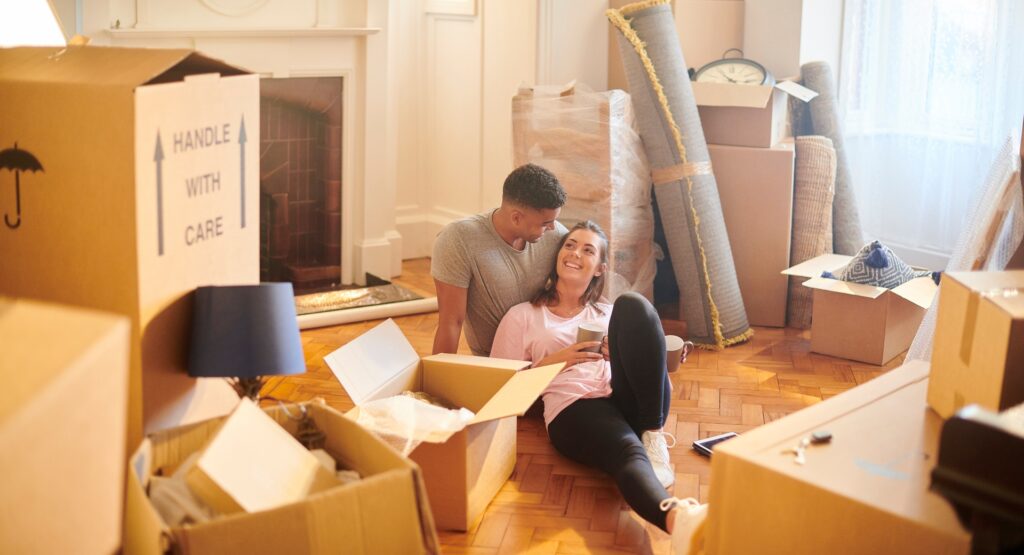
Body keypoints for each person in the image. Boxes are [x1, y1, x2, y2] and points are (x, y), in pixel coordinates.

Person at [490, 220, 707, 551]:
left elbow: (648, 368)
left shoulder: (607, 312)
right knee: (626, 450)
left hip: (626, 393)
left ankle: (652, 434)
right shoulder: (523, 315)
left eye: (587, 249)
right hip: (575, 405)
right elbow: (497, 388)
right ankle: (680, 519)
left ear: (599, 268)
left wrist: (663, 355)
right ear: (558, 256)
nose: (575, 253)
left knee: (633, 304)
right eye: (570, 245)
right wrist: (556, 360)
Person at [431, 163, 568, 356]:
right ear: (516, 218)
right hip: (496, 360)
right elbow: (451, 322)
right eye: (545, 223)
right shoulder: (458, 239)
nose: (554, 228)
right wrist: (437, 382)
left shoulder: (555, 235)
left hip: (549, 351)